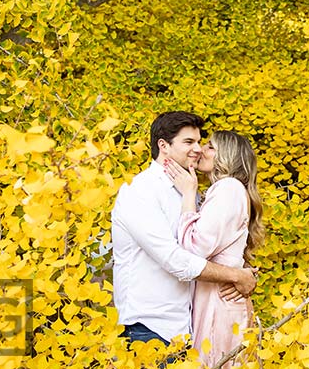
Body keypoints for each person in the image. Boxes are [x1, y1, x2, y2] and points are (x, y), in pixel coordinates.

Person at [110, 112, 256, 350]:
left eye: (200, 142)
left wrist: (240, 271)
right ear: (163, 146)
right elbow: (174, 259)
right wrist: (236, 276)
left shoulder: (189, 190)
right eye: (189, 142)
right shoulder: (140, 191)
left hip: (186, 328)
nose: (198, 149)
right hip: (150, 328)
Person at [164, 130, 263, 369]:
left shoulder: (228, 188)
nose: (200, 150)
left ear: (226, 156)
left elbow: (194, 248)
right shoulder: (228, 191)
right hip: (220, 299)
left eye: (210, 147)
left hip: (219, 303)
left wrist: (188, 193)